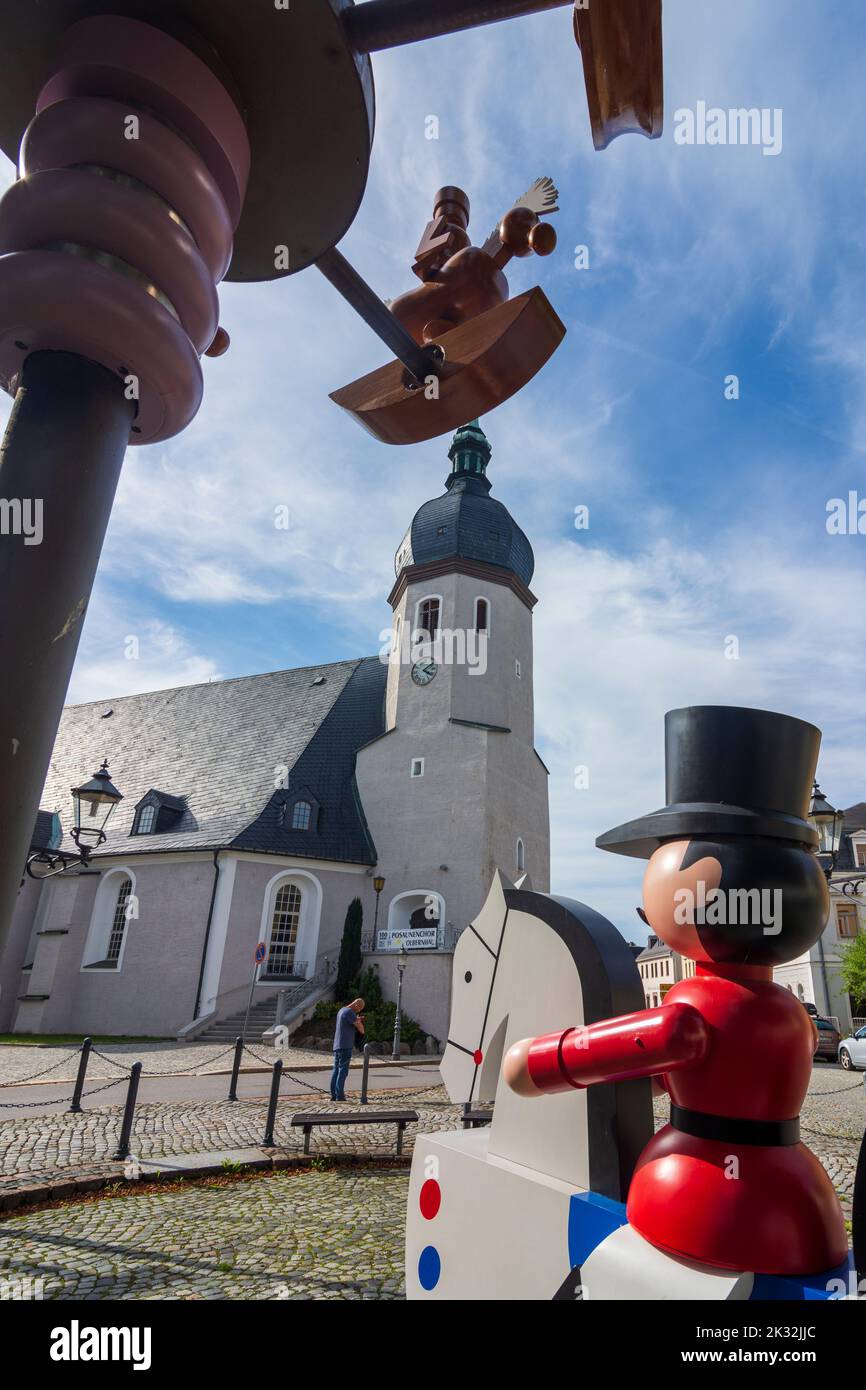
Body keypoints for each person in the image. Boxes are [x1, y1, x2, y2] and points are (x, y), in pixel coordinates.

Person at [330, 997, 364, 1103]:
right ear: (356, 1005)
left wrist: (356, 1019)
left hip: (337, 1045)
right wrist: (359, 1021)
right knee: (343, 1071)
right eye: (358, 1010)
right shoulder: (350, 1012)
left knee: (336, 1070)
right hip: (345, 1045)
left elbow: (348, 1023)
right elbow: (361, 1029)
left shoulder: (341, 1010)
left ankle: (333, 1095)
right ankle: (340, 1095)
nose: (358, 1012)